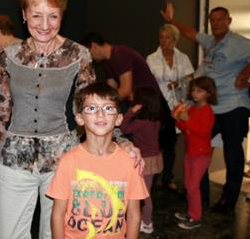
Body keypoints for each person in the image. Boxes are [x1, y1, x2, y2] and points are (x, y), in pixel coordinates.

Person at [0, 0, 141, 239]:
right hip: (14, 159)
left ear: (62, 15)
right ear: (24, 14)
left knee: (55, 234)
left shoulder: (78, 54)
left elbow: (92, 106)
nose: (45, 24)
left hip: (62, 160)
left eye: (53, 15)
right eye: (36, 15)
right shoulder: (8, 57)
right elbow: (1, 114)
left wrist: (121, 140)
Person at [161, 3, 250, 213]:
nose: (215, 23)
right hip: (212, 107)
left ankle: (228, 201)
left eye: (220, 19)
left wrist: (243, 75)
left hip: (234, 105)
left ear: (229, 21)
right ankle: (199, 195)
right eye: (212, 20)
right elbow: (191, 33)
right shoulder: (211, 42)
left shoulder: (239, 43)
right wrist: (171, 21)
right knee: (197, 144)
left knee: (232, 152)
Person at [47, 83, 149, 239]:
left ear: (119, 119)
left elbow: (134, 215)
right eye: (92, 108)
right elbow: (57, 214)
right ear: (80, 118)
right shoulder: (68, 161)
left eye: (108, 108)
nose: (100, 114)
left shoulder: (130, 162)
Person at [82, 32, 178, 192]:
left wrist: (101, 107)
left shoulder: (120, 54)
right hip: (140, 106)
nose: (89, 58)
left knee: (164, 144)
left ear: (93, 46)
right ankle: (145, 182)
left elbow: (125, 89)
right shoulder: (108, 62)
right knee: (143, 143)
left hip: (152, 105)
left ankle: (164, 183)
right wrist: (105, 104)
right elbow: (111, 91)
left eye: (88, 52)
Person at [172, 76, 217, 230]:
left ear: (208, 93)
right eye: (193, 90)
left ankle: (196, 217)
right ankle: (191, 212)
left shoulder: (207, 111)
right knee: (188, 184)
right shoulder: (192, 108)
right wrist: (178, 119)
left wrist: (187, 120)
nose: (194, 93)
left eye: (199, 91)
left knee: (192, 186)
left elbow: (204, 132)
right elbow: (186, 129)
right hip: (190, 152)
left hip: (201, 154)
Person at [120, 86, 163, 234]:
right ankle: (146, 221)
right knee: (146, 192)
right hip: (153, 158)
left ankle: (147, 223)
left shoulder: (142, 122)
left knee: (144, 194)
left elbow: (123, 128)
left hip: (147, 160)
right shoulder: (154, 119)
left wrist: (131, 111)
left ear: (142, 103)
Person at [146, 24, 194, 110]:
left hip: (181, 105)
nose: (163, 41)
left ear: (175, 40)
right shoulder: (151, 59)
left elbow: (191, 81)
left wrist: (178, 83)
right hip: (159, 104)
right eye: (161, 37)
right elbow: (147, 82)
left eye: (167, 37)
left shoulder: (183, 58)